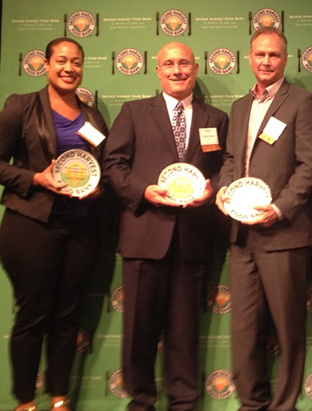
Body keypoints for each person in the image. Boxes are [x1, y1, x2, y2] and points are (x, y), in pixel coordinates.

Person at [102, 42, 228, 411]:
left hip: (192, 239)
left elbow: (223, 169)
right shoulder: (134, 111)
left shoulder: (215, 118)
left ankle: (184, 402)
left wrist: (213, 189)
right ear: (157, 71)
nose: (177, 70)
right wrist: (144, 191)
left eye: (184, 63)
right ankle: (140, 401)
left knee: (184, 331)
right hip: (144, 234)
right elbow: (113, 165)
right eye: (169, 64)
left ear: (196, 67)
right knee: (139, 329)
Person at [215, 27, 312, 410]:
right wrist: (223, 191)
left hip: (284, 233)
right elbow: (231, 160)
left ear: (285, 59)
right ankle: (252, 403)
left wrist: (279, 208)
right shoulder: (240, 106)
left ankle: (283, 405)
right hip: (242, 233)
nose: (266, 62)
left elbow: (309, 165)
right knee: (244, 329)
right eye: (260, 55)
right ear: (249, 57)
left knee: (288, 329)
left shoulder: (304, 102)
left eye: (274, 56)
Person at [0, 38, 108, 411]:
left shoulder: (93, 117)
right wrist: (35, 179)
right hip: (31, 224)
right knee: (34, 315)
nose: (69, 68)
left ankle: (59, 399)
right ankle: (26, 401)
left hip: (80, 228)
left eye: (76, 62)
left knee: (67, 316)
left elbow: (102, 170)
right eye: (61, 60)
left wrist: (96, 190)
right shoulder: (21, 105)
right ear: (45, 64)